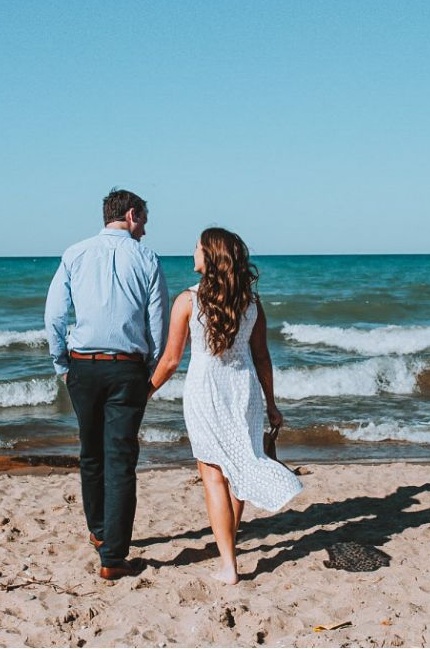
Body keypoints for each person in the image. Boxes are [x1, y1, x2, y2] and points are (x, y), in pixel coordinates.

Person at [148, 227, 302, 584]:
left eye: (197, 247)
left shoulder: (187, 301)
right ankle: (228, 549)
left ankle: (228, 565)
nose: (192, 251)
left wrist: (144, 394)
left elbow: (170, 361)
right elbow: (262, 357)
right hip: (244, 390)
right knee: (241, 471)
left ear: (210, 256)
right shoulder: (250, 302)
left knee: (214, 476)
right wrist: (271, 403)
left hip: (205, 392)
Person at [45, 188, 170, 580]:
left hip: (83, 366)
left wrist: (60, 361)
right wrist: (149, 367)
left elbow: (54, 316)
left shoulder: (75, 253)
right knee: (120, 459)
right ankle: (113, 556)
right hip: (126, 367)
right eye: (144, 221)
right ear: (131, 214)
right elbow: (158, 323)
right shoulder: (146, 258)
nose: (145, 230)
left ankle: (100, 534)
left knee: (91, 453)